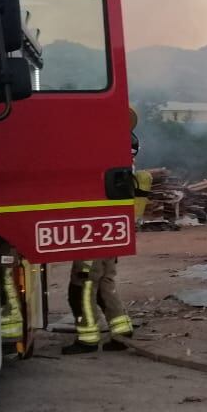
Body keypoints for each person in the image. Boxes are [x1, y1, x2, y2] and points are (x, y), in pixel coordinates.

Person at [64, 111, 152, 354]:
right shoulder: (123, 150)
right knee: (105, 282)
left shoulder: (99, 154)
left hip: (93, 228)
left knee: (82, 284)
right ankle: (121, 331)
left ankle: (87, 338)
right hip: (113, 229)